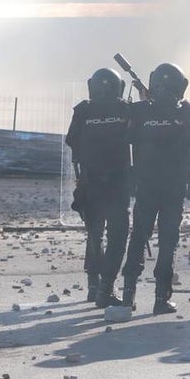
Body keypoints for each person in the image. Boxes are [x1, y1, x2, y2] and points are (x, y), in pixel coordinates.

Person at [121, 63, 190, 315]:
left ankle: (128, 297)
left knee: (138, 239)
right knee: (167, 243)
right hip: (172, 189)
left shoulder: (139, 113)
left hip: (146, 187)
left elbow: (123, 143)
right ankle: (161, 300)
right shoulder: (184, 114)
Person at [65, 68, 132, 308]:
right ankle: (105, 287)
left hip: (91, 183)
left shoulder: (83, 111)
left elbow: (72, 142)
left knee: (95, 235)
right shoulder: (126, 110)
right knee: (117, 236)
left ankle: (94, 286)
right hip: (117, 185)